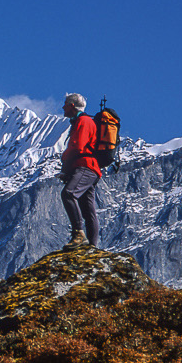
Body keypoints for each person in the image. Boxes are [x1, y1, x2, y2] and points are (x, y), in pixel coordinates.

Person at [59, 93, 101, 248]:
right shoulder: (85, 121)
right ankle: (92, 246)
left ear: (71, 106)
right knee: (88, 208)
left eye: (65, 104)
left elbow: (78, 145)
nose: (63, 107)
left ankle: (78, 234)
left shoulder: (83, 121)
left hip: (85, 167)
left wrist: (64, 158)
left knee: (68, 194)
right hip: (91, 169)